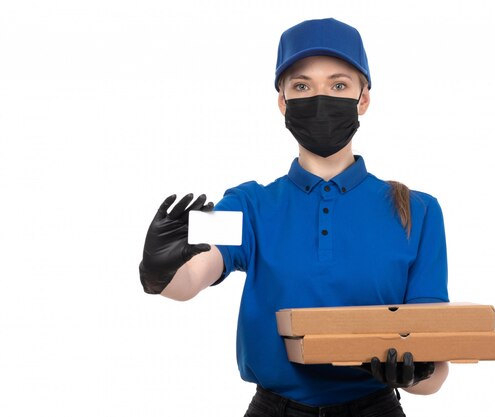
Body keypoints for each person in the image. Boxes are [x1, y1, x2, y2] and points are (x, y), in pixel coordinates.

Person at [139, 17, 450, 417]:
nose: (320, 97)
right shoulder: (248, 205)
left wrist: (414, 374)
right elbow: (192, 276)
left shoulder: (419, 212)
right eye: (302, 86)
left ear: (364, 99)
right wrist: (160, 270)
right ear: (283, 103)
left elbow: (435, 372)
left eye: (339, 85)